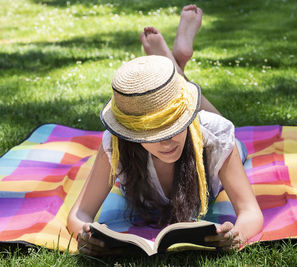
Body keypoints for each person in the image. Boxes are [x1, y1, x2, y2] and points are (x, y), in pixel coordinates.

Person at [67, 5, 263, 256]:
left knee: (229, 135)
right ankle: (175, 66)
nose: (168, 140)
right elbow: (80, 214)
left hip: (208, 137)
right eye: (154, 134)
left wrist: (236, 236)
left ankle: (175, 67)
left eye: (176, 126)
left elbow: (250, 212)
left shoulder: (215, 137)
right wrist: (86, 236)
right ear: (131, 135)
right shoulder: (115, 144)